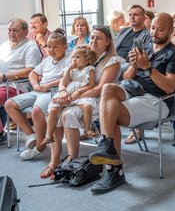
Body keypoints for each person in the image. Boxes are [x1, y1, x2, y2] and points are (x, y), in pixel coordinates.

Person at [88, 13, 175, 193]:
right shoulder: (145, 47)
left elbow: (170, 87)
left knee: (112, 114)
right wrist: (134, 65)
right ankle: (107, 146)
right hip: (134, 90)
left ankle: (114, 170)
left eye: (160, 29)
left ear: (171, 31)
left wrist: (147, 67)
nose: (154, 32)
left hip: (157, 100)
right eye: (153, 28)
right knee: (108, 88)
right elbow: (126, 77)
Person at [46, 25, 123, 180]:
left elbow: (100, 89)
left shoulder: (112, 61)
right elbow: (64, 80)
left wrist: (73, 97)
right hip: (75, 96)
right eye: (92, 37)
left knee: (68, 113)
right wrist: (62, 92)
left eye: (99, 38)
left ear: (108, 41)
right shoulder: (82, 55)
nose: (94, 40)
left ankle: (71, 158)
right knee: (54, 111)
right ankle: (62, 159)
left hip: (100, 100)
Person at [4, 29, 68, 165]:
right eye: (49, 46)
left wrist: (48, 85)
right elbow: (33, 73)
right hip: (39, 90)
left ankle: (39, 146)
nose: (51, 50)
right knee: (9, 104)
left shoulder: (69, 59)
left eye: (55, 47)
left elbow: (68, 78)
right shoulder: (47, 60)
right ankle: (32, 135)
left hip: (54, 91)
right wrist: (34, 83)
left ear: (65, 47)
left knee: (36, 110)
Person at [44, 45, 97, 145]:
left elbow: (91, 85)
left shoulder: (89, 69)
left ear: (87, 59)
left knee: (87, 107)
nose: (74, 60)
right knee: (53, 110)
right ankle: (49, 135)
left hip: (79, 94)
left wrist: (79, 91)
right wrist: (68, 70)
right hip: (68, 93)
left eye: (77, 57)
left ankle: (87, 129)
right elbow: (64, 82)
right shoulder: (70, 70)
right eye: (72, 57)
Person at [0, 19, 42, 104]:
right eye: (9, 30)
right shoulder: (4, 45)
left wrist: (4, 76)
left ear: (26, 32)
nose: (11, 33)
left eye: (15, 31)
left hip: (15, 86)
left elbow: (31, 71)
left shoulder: (31, 47)